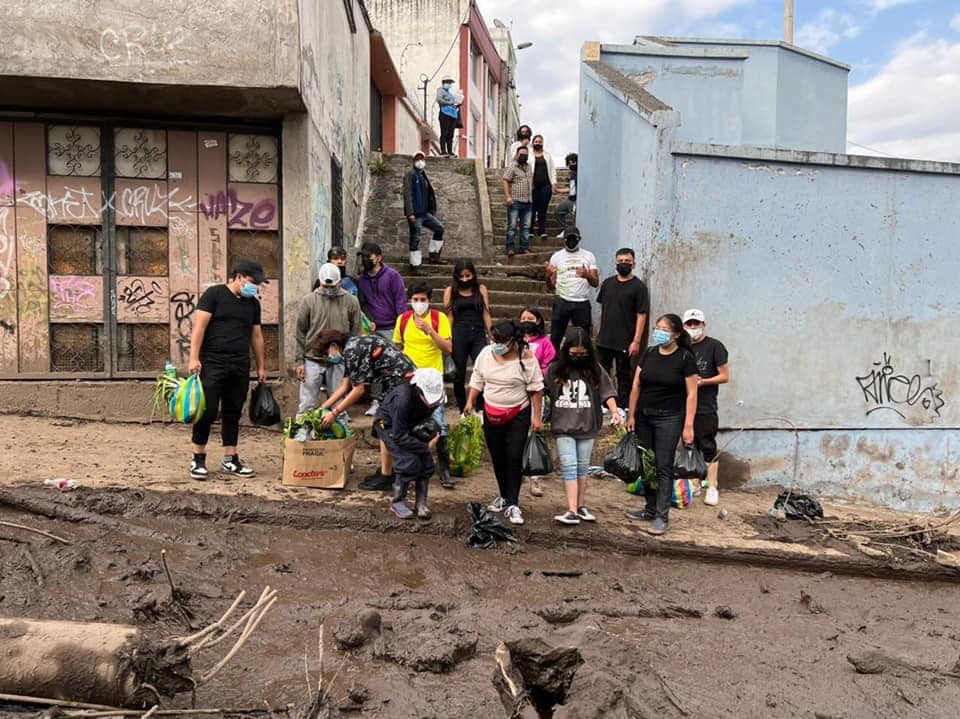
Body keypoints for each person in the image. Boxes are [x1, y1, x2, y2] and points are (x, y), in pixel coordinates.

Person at [187, 260, 269, 481]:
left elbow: (257, 336)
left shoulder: (252, 304)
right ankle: (198, 457)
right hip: (212, 363)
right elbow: (199, 328)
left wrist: (261, 366)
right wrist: (194, 358)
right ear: (239, 277)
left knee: (233, 411)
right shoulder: (214, 295)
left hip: (240, 364)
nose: (255, 288)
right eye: (252, 282)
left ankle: (230, 459)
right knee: (207, 410)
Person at [464, 320, 544, 526]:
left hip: (518, 413)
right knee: (498, 457)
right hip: (491, 412)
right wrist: (470, 401)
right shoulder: (485, 354)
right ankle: (503, 496)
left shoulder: (525, 357)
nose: (496, 344)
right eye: (494, 339)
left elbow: (535, 388)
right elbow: (477, 378)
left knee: (514, 456)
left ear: (512, 340)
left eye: (501, 340)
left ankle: (513, 503)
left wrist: (536, 417)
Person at [315, 329, 416, 491]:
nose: (328, 358)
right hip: (395, 382)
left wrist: (334, 413)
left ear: (334, 345)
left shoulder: (352, 351)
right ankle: (389, 471)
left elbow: (358, 390)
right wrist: (323, 408)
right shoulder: (352, 347)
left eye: (327, 353)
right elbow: (345, 385)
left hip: (399, 382)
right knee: (384, 426)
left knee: (384, 425)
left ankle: (387, 476)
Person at [625, 314, 699, 536]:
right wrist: (631, 415)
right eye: (657, 328)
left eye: (664, 329)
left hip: (669, 418)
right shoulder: (649, 353)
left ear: (676, 334)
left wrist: (688, 425)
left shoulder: (685, 358)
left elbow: (692, 393)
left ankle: (661, 516)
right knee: (647, 464)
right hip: (644, 417)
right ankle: (649, 507)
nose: (659, 332)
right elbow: (636, 385)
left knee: (663, 466)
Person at [546, 328, 621, 525]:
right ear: (566, 351)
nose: (578, 357)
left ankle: (580, 506)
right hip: (563, 426)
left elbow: (607, 392)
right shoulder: (555, 370)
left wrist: (615, 411)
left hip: (588, 426)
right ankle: (572, 509)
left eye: (582, 354)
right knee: (569, 467)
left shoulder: (595, 369)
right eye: (574, 354)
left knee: (582, 468)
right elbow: (541, 390)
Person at [393, 283, 455, 489]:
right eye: (415, 300)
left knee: (438, 423)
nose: (419, 303)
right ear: (409, 301)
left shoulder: (439, 319)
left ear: (429, 300)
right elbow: (398, 347)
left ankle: (444, 468)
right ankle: (410, 466)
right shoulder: (402, 320)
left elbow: (447, 347)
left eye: (423, 299)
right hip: (410, 379)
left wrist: (430, 330)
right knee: (407, 423)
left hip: (433, 380)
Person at [374, 368, 445, 520]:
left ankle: (421, 503)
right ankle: (397, 501)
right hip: (389, 426)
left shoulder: (436, 397)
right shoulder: (402, 399)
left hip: (413, 423)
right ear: (418, 389)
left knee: (426, 463)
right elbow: (399, 436)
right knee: (407, 460)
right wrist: (425, 446)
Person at [295, 262, 362, 415]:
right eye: (326, 286)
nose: (329, 290)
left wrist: (352, 363)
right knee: (307, 402)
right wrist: (300, 361)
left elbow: (356, 333)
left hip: (339, 359)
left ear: (339, 282)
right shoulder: (309, 301)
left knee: (339, 402)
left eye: (332, 287)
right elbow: (300, 332)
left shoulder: (351, 301)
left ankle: (339, 434)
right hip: (313, 358)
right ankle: (304, 434)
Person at [683, 308, 729, 506]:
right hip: (682, 404)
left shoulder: (715, 346)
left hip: (706, 405)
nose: (693, 327)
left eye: (697, 324)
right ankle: (694, 483)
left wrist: (704, 381)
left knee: (707, 445)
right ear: (684, 326)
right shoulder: (681, 347)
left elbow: (725, 376)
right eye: (689, 324)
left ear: (703, 325)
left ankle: (712, 486)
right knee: (688, 444)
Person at [356, 241, 407, 415]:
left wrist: (401, 329)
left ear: (378, 258)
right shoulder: (361, 281)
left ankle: (393, 400)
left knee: (392, 366)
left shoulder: (393, 276)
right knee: (374, 366)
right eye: (363, 256)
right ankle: (376, 400)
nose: (365, 260)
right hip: (372, 329)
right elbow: (362, 304)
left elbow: (401, 302)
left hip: (392, 327)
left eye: (368, 256)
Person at [596, 248, 649, 412]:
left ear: (634, 263)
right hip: (604, 338)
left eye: (627, 261)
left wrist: (636, 341)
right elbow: (603, 309)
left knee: (623, 374)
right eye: (620, 261)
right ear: (615, 263)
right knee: (601, 372)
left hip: (626, 340)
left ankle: (622, 405)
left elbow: (641, 315)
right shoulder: (607, 283)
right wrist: (600, 331)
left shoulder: (639, 287)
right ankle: (602, 403)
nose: (623, 264)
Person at [443, 259, 492, 413]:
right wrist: (447, 338)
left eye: (467, 275)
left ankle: (480, 406)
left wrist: (492, 335)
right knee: (459, 373)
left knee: (482, 370)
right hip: (459, 334)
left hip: (478, 333)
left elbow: (486, 313)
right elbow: (449, 316)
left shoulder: (481, 289)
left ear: (473, 274)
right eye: (461, 276)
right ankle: (462, 407)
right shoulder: (451, 291)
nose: (464, 279)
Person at [519, 306, 556, 498]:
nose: (526, 321)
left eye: (530, 318)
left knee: (533, 433)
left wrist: (534, 374)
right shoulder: (514, 341)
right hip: (516, 393)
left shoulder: (545, 343)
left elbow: (548, 367)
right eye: (523, 318)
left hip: (536, 393)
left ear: (539, 321)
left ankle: (534, 478)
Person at [545, 227, 598, 351]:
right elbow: (550, 286)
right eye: (568, 238)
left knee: (583, 339)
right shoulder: (556, 257)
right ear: (564, 240)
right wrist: (547, 276)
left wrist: (587, 275)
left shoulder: (589, 256)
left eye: (574, 238)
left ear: (579, 239)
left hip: (582, 303)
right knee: (555, 338)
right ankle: (554, 365)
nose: (571, 241)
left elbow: (595, 282)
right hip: (562, 301)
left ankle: (582, 366)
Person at [403, 152, 445, 270]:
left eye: (422, 159)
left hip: (425, 213)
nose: (420, 161)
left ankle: (434, 255)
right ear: (413, 161)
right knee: (415, 238)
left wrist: (431, 209)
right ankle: (415, 266)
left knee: (439, 228)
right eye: (418, 159)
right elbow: (408, 195)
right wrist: (410, 213)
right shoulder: (410, 175)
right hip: (415, 214)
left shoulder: (423, 175)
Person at [502, 146, 534, 257]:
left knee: (526, 227)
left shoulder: (529, 167)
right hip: (515, 201)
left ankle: (524, 248)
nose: (524, 156)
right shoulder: (512, 166)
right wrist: (507, 196)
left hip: (528, 201)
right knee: (512, 226)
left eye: (526, 154)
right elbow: (505, 180)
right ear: (517, 154)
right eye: (522, 154)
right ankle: (510, 248)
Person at [530, 134, 556, 238]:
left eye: (540, 142)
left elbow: (553, 170)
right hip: (533, 186)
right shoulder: (529, 155)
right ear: (533, 143)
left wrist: (553, 184)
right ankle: (530, 231)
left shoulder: (547, 155)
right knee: (532, 209)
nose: (538, 143)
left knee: (543, 209)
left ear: (543, 143)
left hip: (546, 186)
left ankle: (542, 231)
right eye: (536, 142)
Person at [436, 76, 460, 157]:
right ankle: (443, 151)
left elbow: (454, 102)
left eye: (450, 83)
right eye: (448, 82)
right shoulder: (440, 90)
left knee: (451, 134)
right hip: (445, 113)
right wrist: (449, 103)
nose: (449, 84)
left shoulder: (450, 94)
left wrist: (457, 103)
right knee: (444, 133)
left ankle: (450, 151)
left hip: (453, 115)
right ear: (444, 82)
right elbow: (439, 99)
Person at [556, 152, 577, 237]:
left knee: (575, 217)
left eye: (573, 162)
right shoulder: (572, 174)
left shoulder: (581, 173)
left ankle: (573, 233)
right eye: (569, 163)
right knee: (559, 211)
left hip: (577, 199)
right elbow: (571, 188)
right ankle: (566, 230)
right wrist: (559, 190)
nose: (571, 165)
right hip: (570, 198)